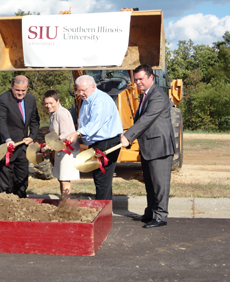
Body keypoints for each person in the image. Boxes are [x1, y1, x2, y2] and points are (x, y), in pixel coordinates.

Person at [121, 64, 176, 229]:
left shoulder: (157, 95)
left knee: (160, 184)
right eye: (136, 79)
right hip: (149, 147)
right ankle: (151, 212)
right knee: (150, 184)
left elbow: (146, 120)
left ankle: (160, 216)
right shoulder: (145, 95)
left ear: (151, 78)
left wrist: (128, 137)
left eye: (141, 79)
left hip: (159, 148)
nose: (138, 82)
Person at [66, 75, 123, 200]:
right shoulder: (87, 100)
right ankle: (105, 208)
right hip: (97, 142)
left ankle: (102, 210)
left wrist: (78, 134)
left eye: (83, 90)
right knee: (101, 179)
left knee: (102, 178)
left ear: (93, 86)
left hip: (107, 142)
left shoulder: (101, 100)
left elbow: (95, 124)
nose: (81, 93)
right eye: (78, 90)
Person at [0, 75, 40, 198]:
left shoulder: (31, 99)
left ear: (27, 88)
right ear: (12, 86)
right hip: (5, 147)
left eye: (23, 90)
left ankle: (21, 206)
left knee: (21, 181)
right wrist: (7, 139)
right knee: (5, 183)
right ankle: (5, 209)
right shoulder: (2, 100)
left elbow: (34, 120)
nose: (20, 93)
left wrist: (32, 136)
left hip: (22, 148)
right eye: (17, 90)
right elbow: (0, 122)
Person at [43, 90, 80, 199]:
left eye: (51, 103)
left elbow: (66, 134)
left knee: (65, 179)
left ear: (57, 100)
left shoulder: (62, 113)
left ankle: (66, 206)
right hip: (60, 150)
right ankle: (64, 202)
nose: (48, 106)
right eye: (46, 103)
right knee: (61, 178)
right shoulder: (53, 113)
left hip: (68, 151)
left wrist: (51, 144)